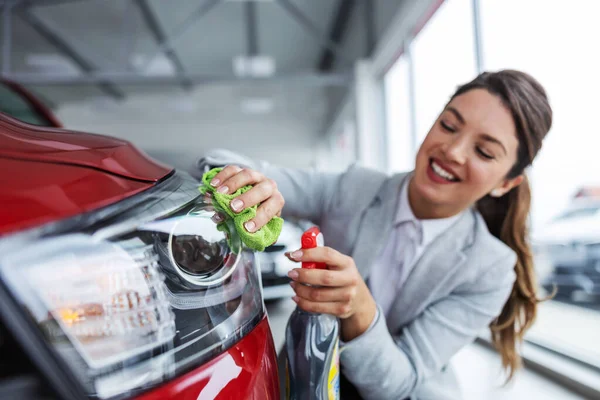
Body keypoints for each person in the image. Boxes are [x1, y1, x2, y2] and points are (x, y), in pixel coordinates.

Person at [203, 70, 552, 399]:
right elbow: (215, 160)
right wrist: (251, 186)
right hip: (304, 378)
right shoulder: (356, 188)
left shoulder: (490, 269)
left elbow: (398, 383)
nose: (453, 151)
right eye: (448, 125)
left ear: (506, 183)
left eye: (484, 151)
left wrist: (360, 308)